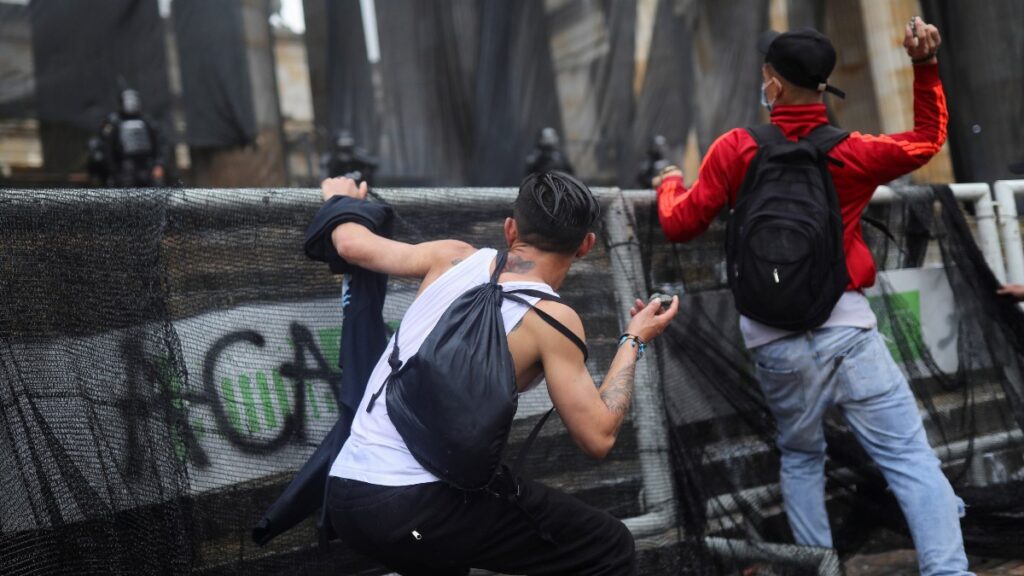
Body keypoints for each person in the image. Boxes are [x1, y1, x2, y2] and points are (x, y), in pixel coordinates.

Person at [655, 19, 971, 576]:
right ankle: (948, 571)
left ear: (773, 86)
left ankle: (818, 571)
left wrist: (667, 184)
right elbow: (927, 139)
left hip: (773, 342)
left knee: (802, 458)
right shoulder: (854, 152)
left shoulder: (737, 147)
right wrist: (924, 67)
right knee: (910, 459)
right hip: (847, 331)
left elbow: (681, 222)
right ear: (823, 86)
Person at [321, 171, 678, 575]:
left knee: (453, 546)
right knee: (607, 545)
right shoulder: (553, 319)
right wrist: (634, 338)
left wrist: (339, 199)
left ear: (510, 229)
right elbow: (598, 436)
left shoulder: (452, 256)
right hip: (417, 511)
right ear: (586, 245)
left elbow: (350, 243)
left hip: (347, 494)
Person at [94, 88, 166, 187]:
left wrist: (159, 164)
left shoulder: (147, 122)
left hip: (147, 167)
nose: (131, 103)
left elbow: (160, 143)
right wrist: (113, 170)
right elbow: (107, 148)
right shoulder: (115, 123)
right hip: (123, 170)